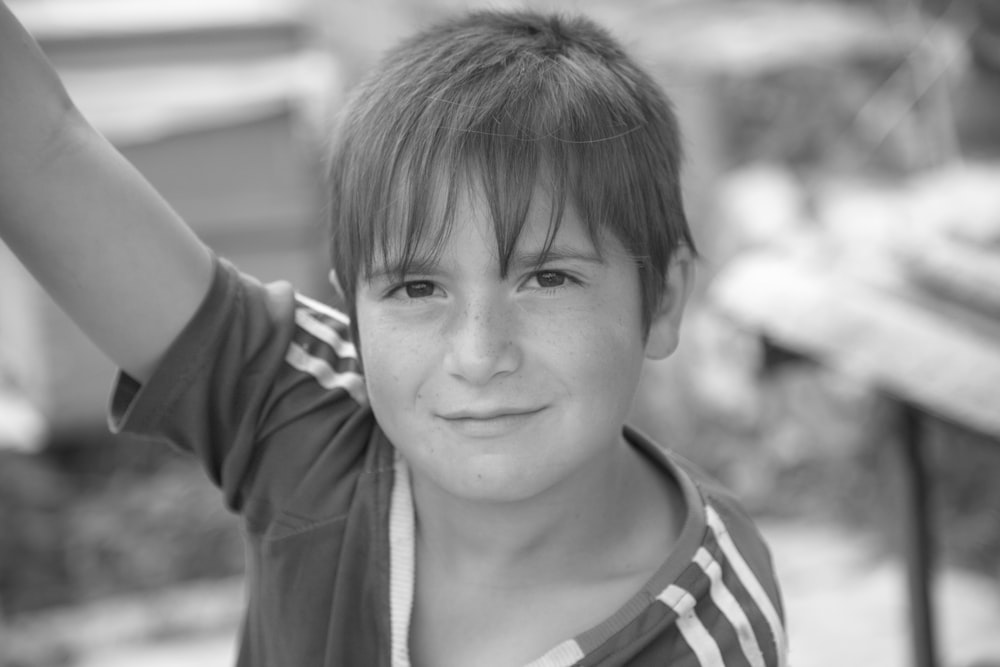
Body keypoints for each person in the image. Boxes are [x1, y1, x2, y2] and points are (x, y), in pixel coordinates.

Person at [0, 4, 787, 665]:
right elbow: (41, 152)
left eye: (548, 278)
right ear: (353, 310)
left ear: (664, 298)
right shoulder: (312, 413)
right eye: (417, 288)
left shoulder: (707, 636)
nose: (478, 354)